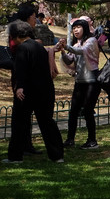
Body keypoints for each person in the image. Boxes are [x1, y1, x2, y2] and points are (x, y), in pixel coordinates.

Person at [4, 20, 64, 163]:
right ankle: (57, 155)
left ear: (16, 35)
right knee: (47, 122)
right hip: (45, 90)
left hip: (27, 91)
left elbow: (21, 70)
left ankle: (15, 156)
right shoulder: (40, 47)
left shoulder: (22, 49)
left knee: (19, 123)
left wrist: (19, 87)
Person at [58, 18, 101, 149]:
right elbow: (70, 60)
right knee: (74, 111)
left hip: (92, 82)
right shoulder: (76, 45)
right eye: (74, 28)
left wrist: (67, 46)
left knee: (88, 111)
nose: (76, 30)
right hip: (80, 81)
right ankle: (70, 139)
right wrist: (63, 51)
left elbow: (82, 51)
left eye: (78, 27)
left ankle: (92, 140)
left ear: (85, 28)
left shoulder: (91, 41)